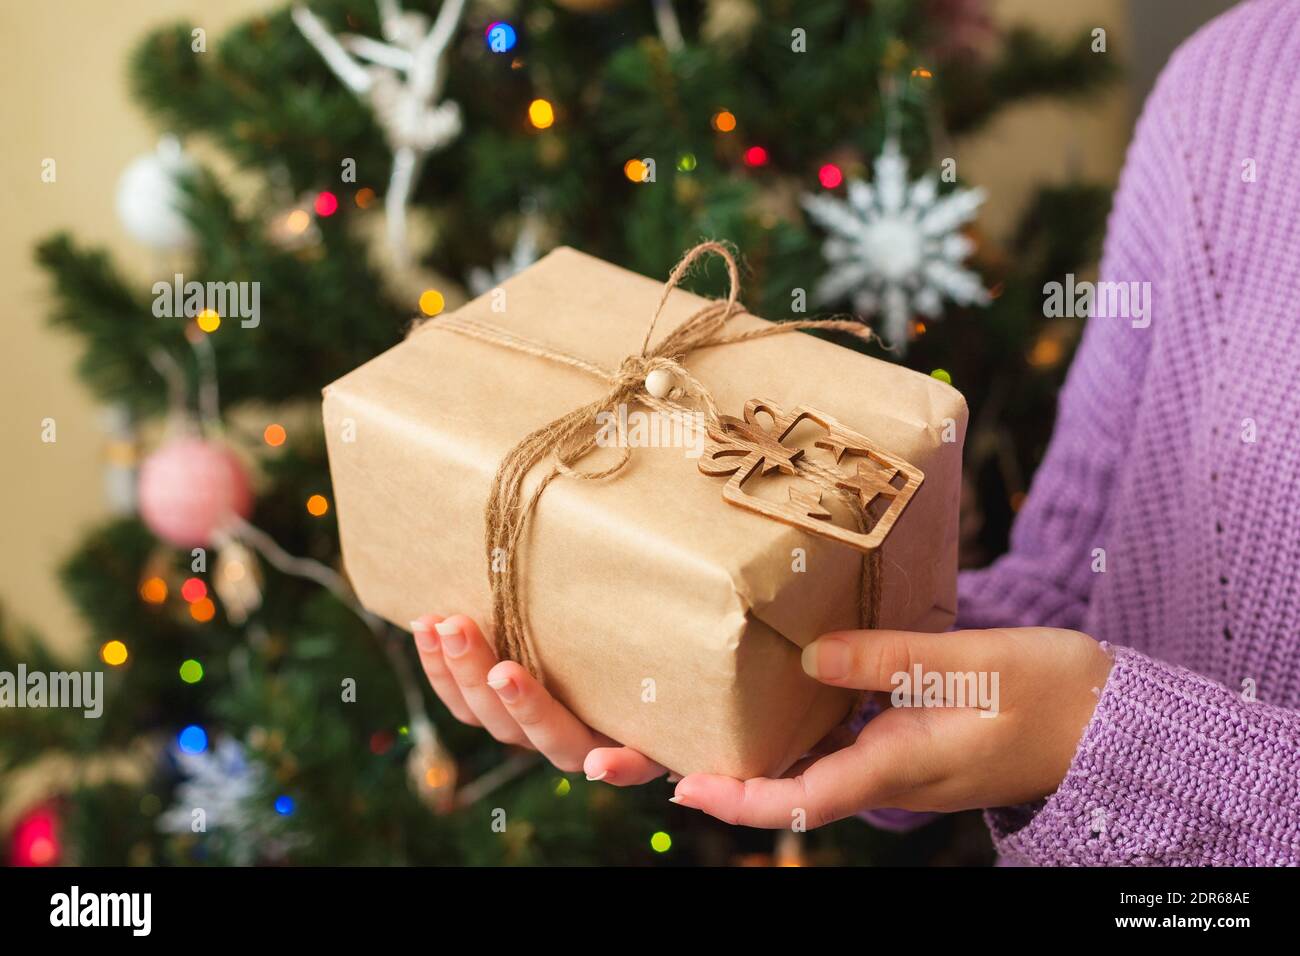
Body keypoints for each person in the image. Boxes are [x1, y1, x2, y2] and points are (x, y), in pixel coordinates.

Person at [410, 0, 1300, 865]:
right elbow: (1072, 590)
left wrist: (1108, 750)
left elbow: (1089, 704)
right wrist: (709, 666)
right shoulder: (1229, 81)